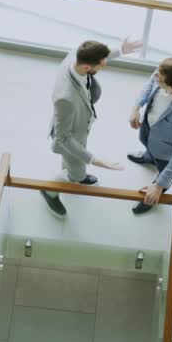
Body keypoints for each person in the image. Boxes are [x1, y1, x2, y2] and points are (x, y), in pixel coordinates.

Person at [41, 39, 142, 218]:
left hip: (76, 123)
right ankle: (49, 192)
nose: (104, 65)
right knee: (76, 174)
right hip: (70, 137)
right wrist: (96, 161)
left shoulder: (76, 54)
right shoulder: (66, 98)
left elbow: (98, 57)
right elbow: (63, 138)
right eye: (101, 65)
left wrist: (121, 50)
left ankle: (69, 167)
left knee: (70, 162)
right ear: (87, 68)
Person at [127, 58, 172, 215]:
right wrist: (136, 107)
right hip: (149, 129)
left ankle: (154, 192)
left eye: (159, 80)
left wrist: (159, 185)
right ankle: (148, 157)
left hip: (165, 152)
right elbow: (149, 86)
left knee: (163, 169)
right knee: (146, 143)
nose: (155, 77)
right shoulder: (162, 72)